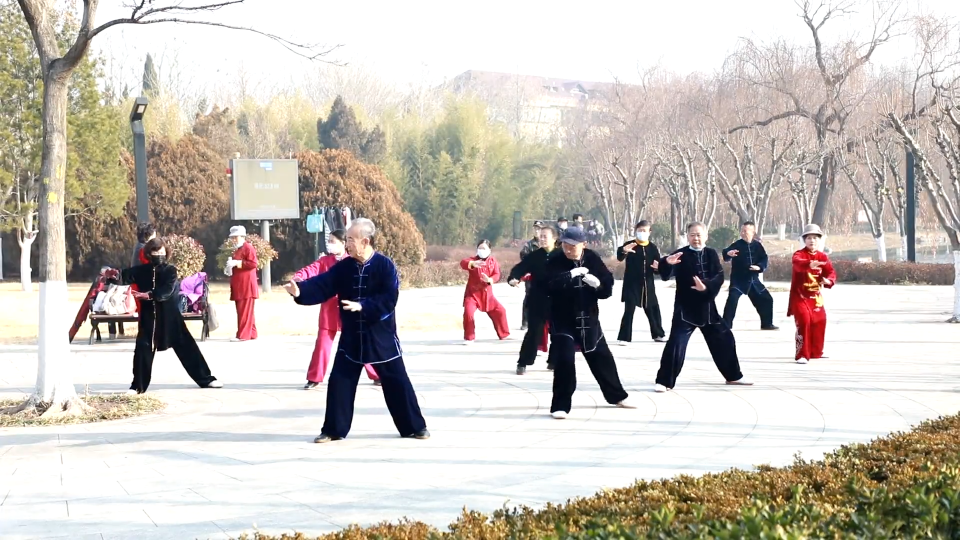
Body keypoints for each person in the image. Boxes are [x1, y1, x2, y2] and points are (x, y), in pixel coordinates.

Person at [283, 218, 429, 443]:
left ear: (365, 241)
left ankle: (414, 427)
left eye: (351, 239)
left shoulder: (385, 265)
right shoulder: (344, 267)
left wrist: (363, 306)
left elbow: (390, 299)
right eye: (347, 239)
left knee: (397, 381)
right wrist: (300, 291)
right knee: (339, 382)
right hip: (352, 337)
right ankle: (333, 430)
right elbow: (323, 284)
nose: (347, 244)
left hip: (381, 337)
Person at [104, 238, 222, 394]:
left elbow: (167, 290)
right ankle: (137, 386)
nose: (159, 254)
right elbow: (123, 277)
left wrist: (151, 295)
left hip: (170, 316)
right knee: (143, 349)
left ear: (166, 253)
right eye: (155, 251)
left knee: (187, 347)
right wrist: (111, 274)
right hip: (149, 318)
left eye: (161, 252)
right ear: (149, 253)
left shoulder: (170, 270)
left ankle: (207, 379)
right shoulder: (141, 270)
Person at [544, 226, 633, 419]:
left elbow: (607, 288)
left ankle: (617, 396)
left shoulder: (592, 258)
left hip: (588, 317)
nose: (568, 249)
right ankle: (560, 405)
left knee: (602, 357)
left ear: (583, 244)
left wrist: (598, 285)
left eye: (573, 246)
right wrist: (570, 275)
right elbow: (548, 285)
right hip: (563, 319)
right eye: (565, 245)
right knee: (565, 361)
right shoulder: (555, 260)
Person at [655, 222, 753, 392]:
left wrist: (706, 287)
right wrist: (667, 264)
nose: (696, 238)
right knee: (676, 344)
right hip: (685, 310)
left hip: (708, 309)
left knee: (725, 338)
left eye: (699, 234)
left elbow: (719, 276)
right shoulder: (681, 254)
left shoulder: (711, 254)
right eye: (692, 235)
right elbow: (665, 273)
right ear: (688, 236)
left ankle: (734, 376)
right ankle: (664, 381)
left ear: (706, 236)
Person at [292, 229, 380, 389]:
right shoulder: (325, 261)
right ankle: (314, 377)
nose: (329, 244)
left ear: (344, 243)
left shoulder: (354, 260)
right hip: (329, 311)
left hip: (350, 308)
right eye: (329, 241)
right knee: (322, 345)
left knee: (360, 342)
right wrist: (298, 278)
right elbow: (310, 269)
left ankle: (376, 374)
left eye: (333, 241)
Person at [509, 225, 558, 374]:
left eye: (545, 236)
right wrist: (513, 278)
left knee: (558, 332)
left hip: (558, 300)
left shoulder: (563, 256)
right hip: (538, 299)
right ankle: (523, 362)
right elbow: (519, 268)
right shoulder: (535, 256)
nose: (541, 239)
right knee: (534, 332)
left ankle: (554, 361)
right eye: (540, 236)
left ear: (554, 239)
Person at [788, 224, 837, 365]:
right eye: (809, 238)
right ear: (804, 240)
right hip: (800, 296)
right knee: (804, 321)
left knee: (820, 321)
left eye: (815, 238)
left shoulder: (823, 256)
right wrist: (810, 264)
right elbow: (797, 263)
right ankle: (802, 354)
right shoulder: (799, 254)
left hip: (815, 297)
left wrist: (828, 280)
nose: (812, 241)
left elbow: (831, 272)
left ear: (819, 240)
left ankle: (816, 352)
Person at [722, 221, 778, 330]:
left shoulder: (757, 245)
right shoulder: (737, 244)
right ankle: (726, 325)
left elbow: (764, 258)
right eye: (741, 231)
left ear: (753, 232)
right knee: (732, 300)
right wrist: (728, 254)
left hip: (753, 281)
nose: (742, 233)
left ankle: (767, 324)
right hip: (738, 280)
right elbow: (726, 252)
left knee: (767, 299)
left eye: (745, 231)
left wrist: (759, 267)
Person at [616, 220, 665, 344]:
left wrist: (657, 269)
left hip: (648, 284)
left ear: (649, 232)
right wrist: (624, 251)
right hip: (631, 284)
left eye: (644, 231)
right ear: (636, 231)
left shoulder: (653, 248)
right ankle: (624, 337)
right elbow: (620, 257)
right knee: (629, 310)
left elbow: (657, 267)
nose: (642, 233)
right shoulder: (630, 245)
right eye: (639, 231)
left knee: (653, 309)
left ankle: (658, 334)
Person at [460, 240, 510, 344]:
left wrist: (490, 280)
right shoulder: (473, 260)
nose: (482, 250)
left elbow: (497, 274)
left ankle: (504, 334)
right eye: (480, 248)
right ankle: (469, 337)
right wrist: (473, 264)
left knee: (500, 311)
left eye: (484, 248)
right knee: (468, 313)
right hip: (473, 294)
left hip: (488, 295)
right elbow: (463, 263)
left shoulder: (493, 261)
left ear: (489, 250)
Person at [225, 226, 258, 341]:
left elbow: (253, 264)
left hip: (246, 286)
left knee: (244, 311)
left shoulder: (248, 248)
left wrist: (237, 263)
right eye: (232, 237)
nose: (234, 239)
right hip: (240, 285)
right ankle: (252, 333)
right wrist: (230, 268)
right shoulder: (238, 250)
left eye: (236, 237)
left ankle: (243, 335)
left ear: (242, 236)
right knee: (245, 311)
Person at [519, 221, 544, 331]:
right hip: (532, 275)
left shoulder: (548, 243)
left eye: (539, 229)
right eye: (536, 229)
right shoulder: (529, 245)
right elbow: (523, 256)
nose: (537, 231)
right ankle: (525, 322)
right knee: (529, 297)